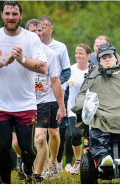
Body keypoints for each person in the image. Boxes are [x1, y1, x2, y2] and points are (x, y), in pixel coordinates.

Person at [0, 1, 47, 184]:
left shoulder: (31, 39)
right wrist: (4, 61)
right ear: (2, 15)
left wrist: (21, 59)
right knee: (3, 146)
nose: (11, 17)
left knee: (28, 148)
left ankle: (28, 167)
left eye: (14, 14)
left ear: (21, 16)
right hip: (0, 103)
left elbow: (43, 67)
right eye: (7, 13)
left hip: (26, 103)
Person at [72, 43, 120, 174]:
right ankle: (103, 158)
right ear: (99, 60)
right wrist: (83, 104)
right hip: (102, 111)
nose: (107, 60)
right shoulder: (94, 74)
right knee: (96, 120)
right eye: (104, 58)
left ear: (116, 58)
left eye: (110, 57)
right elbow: (83, 94)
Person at [38, 16, 71, 179]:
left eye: (44, 27)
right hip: (36, 97)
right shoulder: (32, 47)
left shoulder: (60, 47)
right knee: (40, 135)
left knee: (54, 133)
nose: (41, 30)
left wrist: (57, 82)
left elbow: (67, 71)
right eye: (39, 27)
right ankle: (44, 167)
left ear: (51, 29)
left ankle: (54, 163)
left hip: (55, 96)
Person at [63, 43, 91, 175]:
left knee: (91, 137)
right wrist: (60, 106)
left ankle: (90, 162)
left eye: (81, 53)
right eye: (76, 53)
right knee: (75, 135)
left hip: (90, 110)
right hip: (73, 109)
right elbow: (62, 88)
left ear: (88, 56)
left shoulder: (93, 70)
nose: (78, 55)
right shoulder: (70, 70)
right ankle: (78, 161)